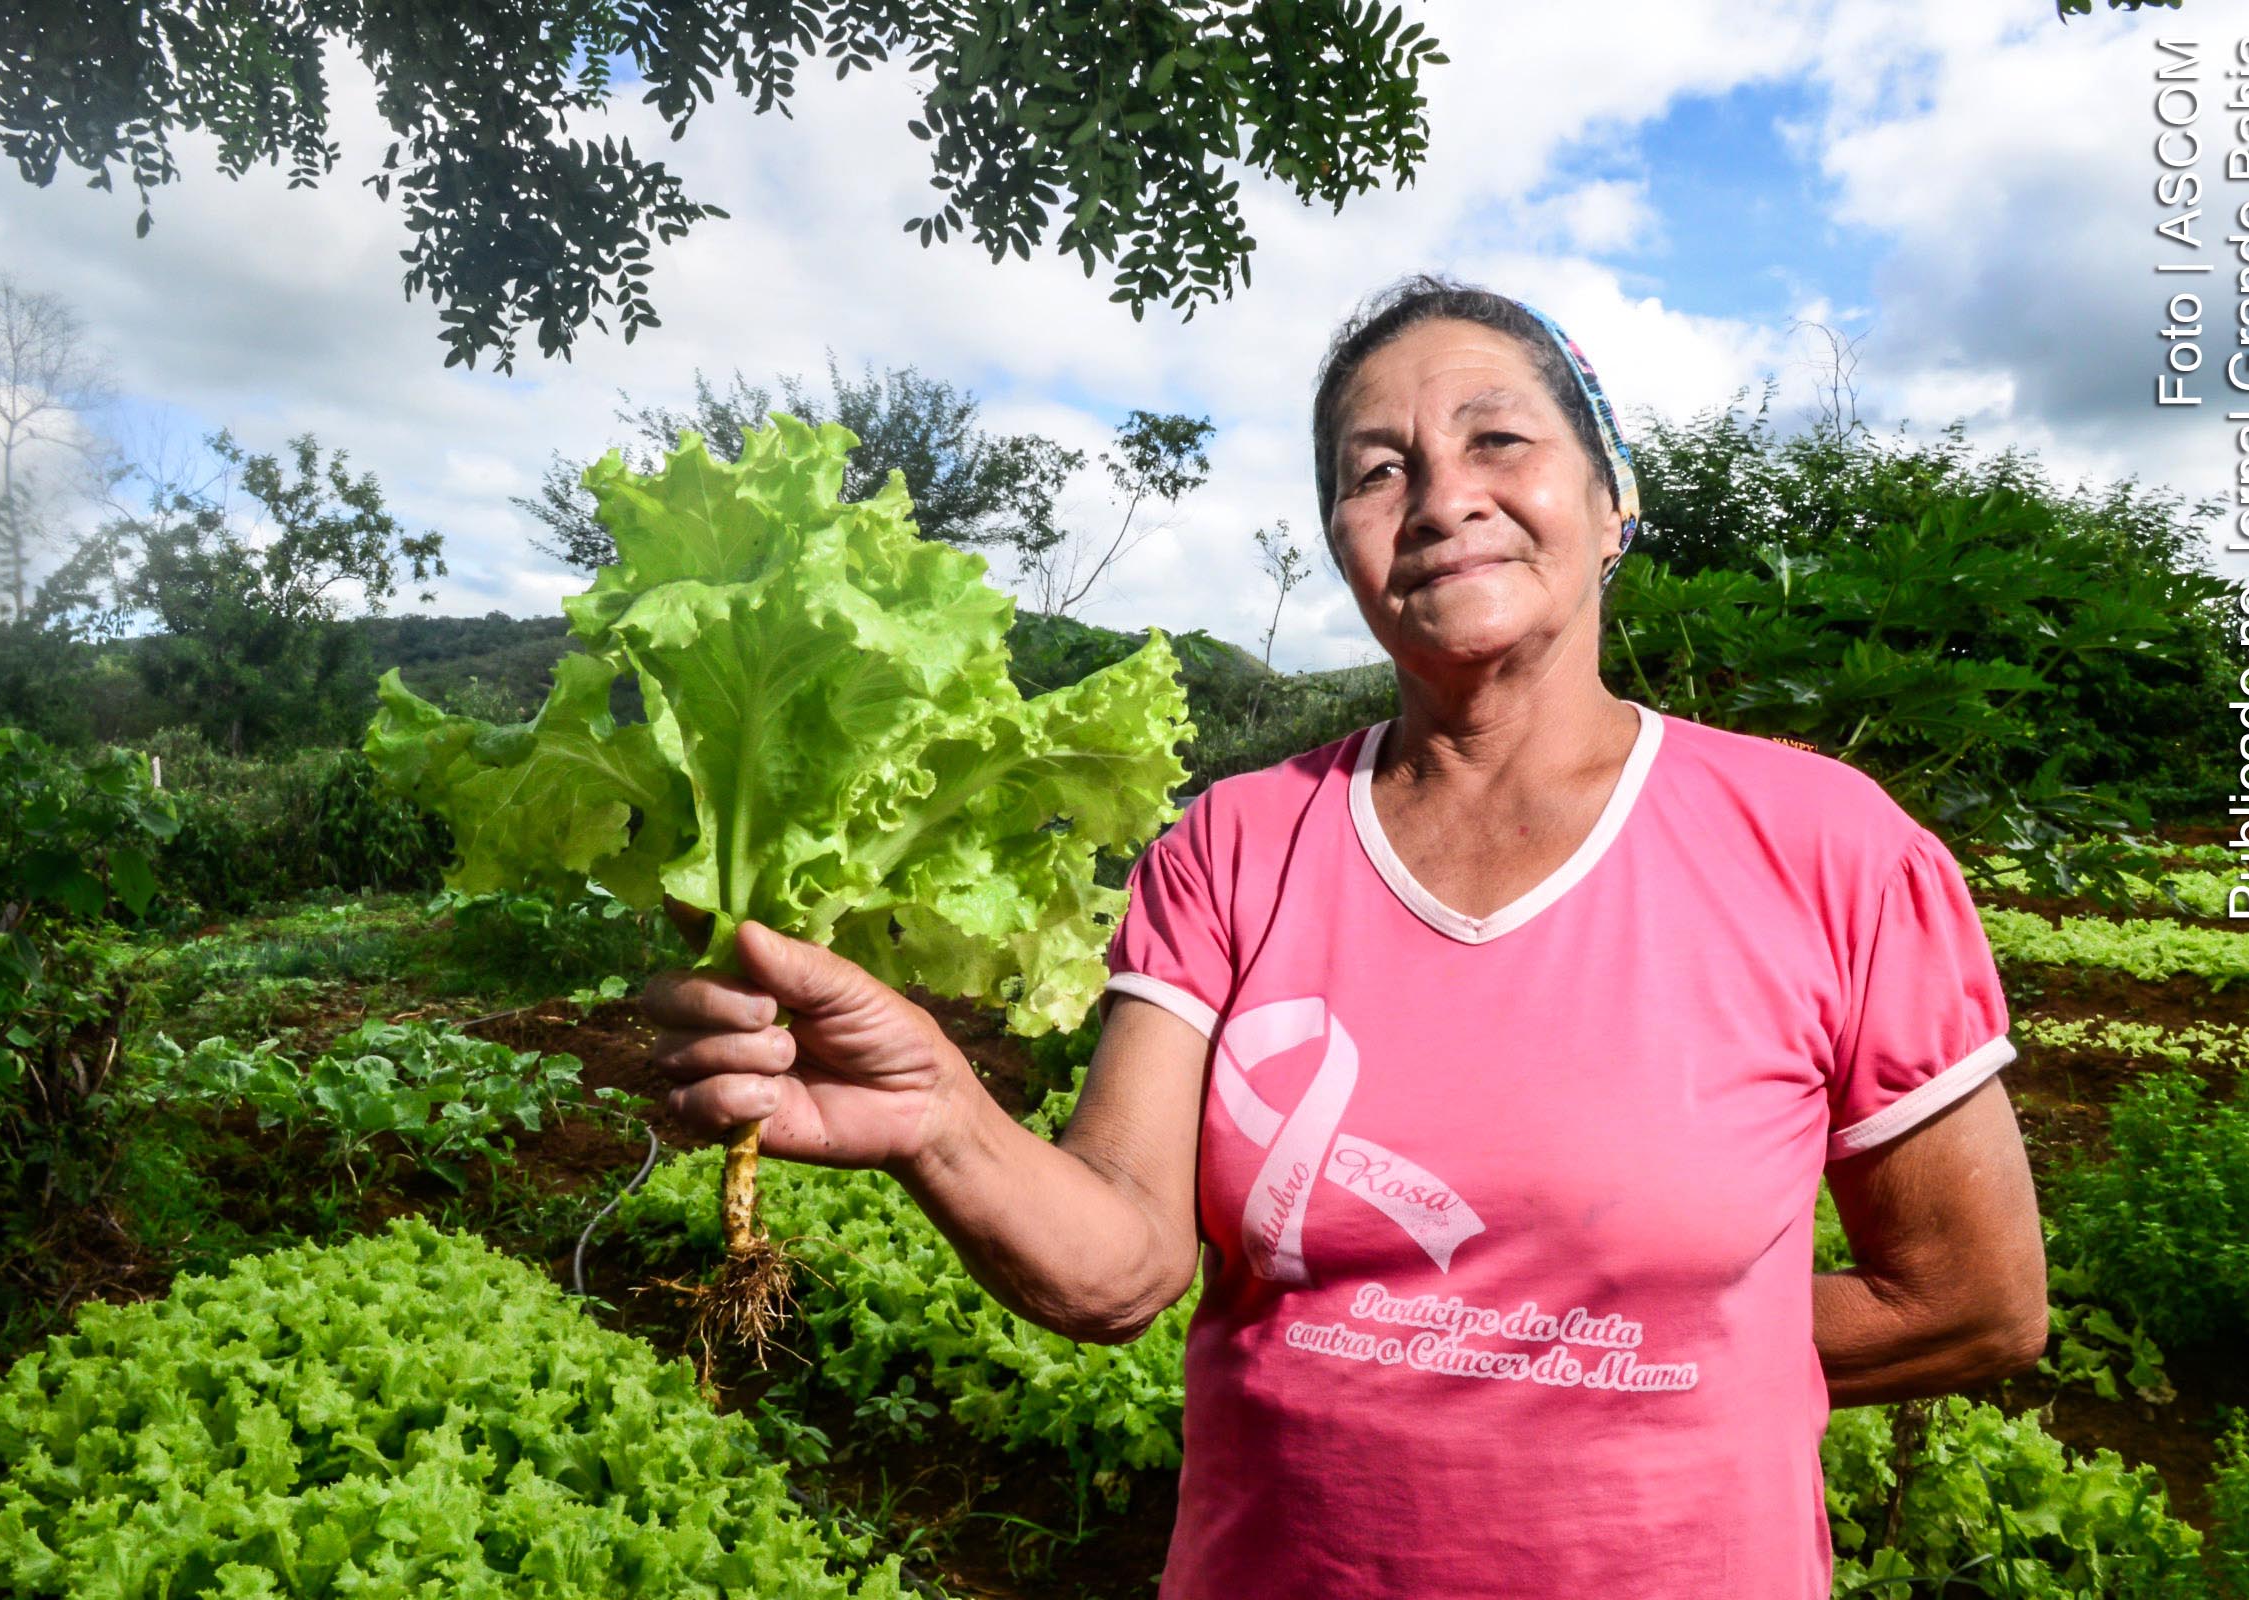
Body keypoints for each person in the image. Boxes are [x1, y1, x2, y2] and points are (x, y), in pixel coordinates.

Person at [642, 273, 2049, 1598]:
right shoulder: (1237, 844)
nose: (1441, 497)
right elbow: (1121, 1266)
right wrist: (938, 1116)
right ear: (1343, 543)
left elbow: (1975, 1300)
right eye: (1378, 469)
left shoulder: (1824, 847)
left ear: (1612, 502)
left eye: (1499, 437)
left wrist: (1632, 1362)